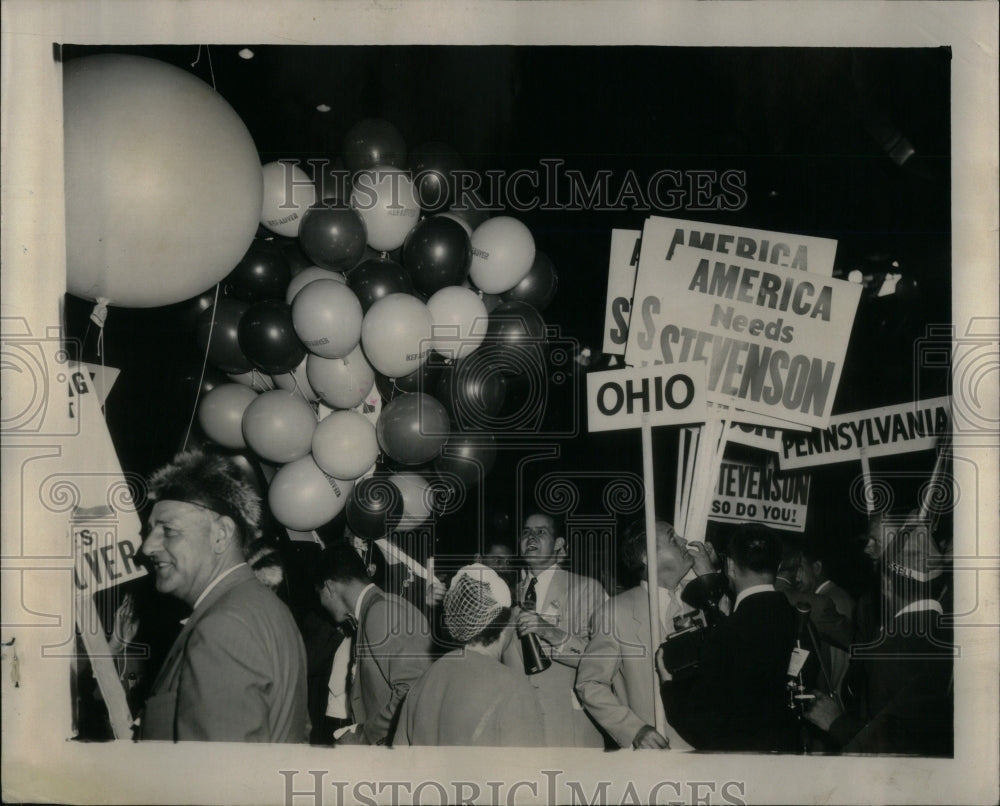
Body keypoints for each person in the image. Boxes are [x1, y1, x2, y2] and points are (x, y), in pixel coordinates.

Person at [137, 451, 308, 742]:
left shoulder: (222, 628)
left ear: (220, 534)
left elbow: (219, 780)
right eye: (150, 531)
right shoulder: (263, 607)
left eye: (168, 531)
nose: (147, 547)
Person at [805, 515, 953, 755]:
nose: (867, 549)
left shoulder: (902, 644)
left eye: (875, 541)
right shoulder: (872, 606)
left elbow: (900, 739)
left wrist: (837, 723)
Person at [659, 523, 802, 753]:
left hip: (742, 764)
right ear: (777, 565)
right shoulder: (801, 622)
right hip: (787, 753)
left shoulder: (727, 634)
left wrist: (669, 685)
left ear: (731, 566)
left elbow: (701, 727)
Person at [576, 520, 713, 750]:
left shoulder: (703, 604)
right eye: (672, 537)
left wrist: (710, 579)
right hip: (656, 753)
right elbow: (590, 683)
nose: (684, 542)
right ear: (646, 557)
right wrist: (634, 730)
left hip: (707, 750)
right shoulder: (615, 612)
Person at [394, 564, 544, 747]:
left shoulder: (423, 683)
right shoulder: (514, 688)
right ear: (506, 624)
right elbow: (527, 772)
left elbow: (400, 765)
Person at [503, 512, 607, 747]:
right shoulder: (505, 594)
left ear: (559, 544)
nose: (531, 537)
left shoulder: (586, 588)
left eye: (541, 532)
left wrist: (549, 632)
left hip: (568, 725)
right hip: (516, 725)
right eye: (526, 532)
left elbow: (599, 659)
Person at [314, 540, 432, 745]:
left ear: (329, 587)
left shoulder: (380, 612)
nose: (322, 604)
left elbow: (411, 692)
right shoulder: (378, 608)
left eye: (320, 595)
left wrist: (363, 735)